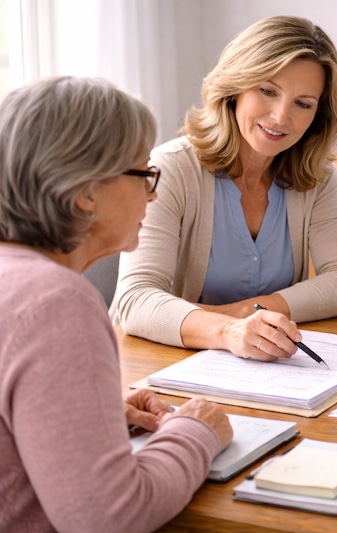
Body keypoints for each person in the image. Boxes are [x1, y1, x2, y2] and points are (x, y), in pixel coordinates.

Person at [0, 77, 233, 532]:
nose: (155, 193)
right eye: (145, 173)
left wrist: (91, 413)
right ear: (86, 190)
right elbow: (110, 519)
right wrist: (197, 430)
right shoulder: (56, 303)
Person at [111, 16, 337, 360]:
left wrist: (244, 314)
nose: (280, 117)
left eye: (303, 103)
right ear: (235, 88)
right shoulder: (171, 168)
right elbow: (135, 300)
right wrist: (228, 331)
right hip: (174, 365)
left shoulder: (316, 177)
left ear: (318, 115)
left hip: (276, 365)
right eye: (268, 91)